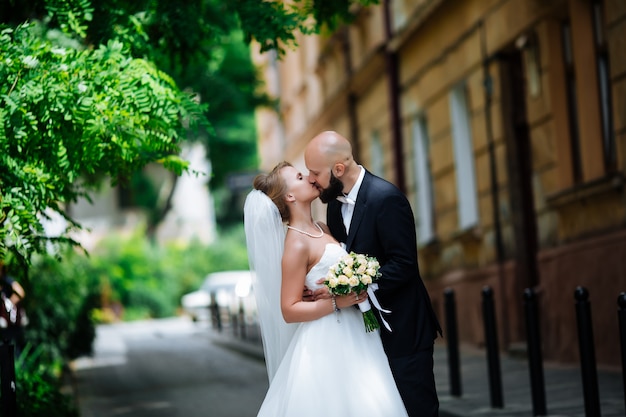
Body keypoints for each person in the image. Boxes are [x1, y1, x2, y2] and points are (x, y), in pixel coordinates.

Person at [244, 161, 409, 417]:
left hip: (357, 331)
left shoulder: (323, 227)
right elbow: (289, 309)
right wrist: (336, 302)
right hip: (326, 339)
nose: (310, 178)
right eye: (300, 177)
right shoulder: (296, 244)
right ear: (290, 196)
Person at [304, 130, 443, 417]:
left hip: (403, 329)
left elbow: (404, 265)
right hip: (363, 337)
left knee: (416, 409)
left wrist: (351, 288)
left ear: (338, 169)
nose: (311, 180)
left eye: (315, 172)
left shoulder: (386, 198)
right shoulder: (333, 206)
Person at [0, 261, 27, 355]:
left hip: (11, 323)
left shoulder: (7, 280)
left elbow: (21, 292)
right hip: (3, 324)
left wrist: (10, 302)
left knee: (13, 350)